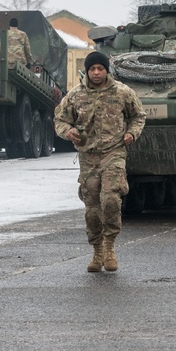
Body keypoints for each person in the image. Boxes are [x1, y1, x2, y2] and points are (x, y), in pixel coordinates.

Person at [55, 52, 147, 273]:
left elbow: (138, 116)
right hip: (88, 157)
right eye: (92, 69)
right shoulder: (75, 95)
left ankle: (109, 246)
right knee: (92, 209)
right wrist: (68, 132)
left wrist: (132, 134)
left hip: (113, 153)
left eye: (100, 68)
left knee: (110, 199)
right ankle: (96, 250)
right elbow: (60, 119)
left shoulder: (123, 92)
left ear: (107, 70)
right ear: (87, 71)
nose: (96, 73)